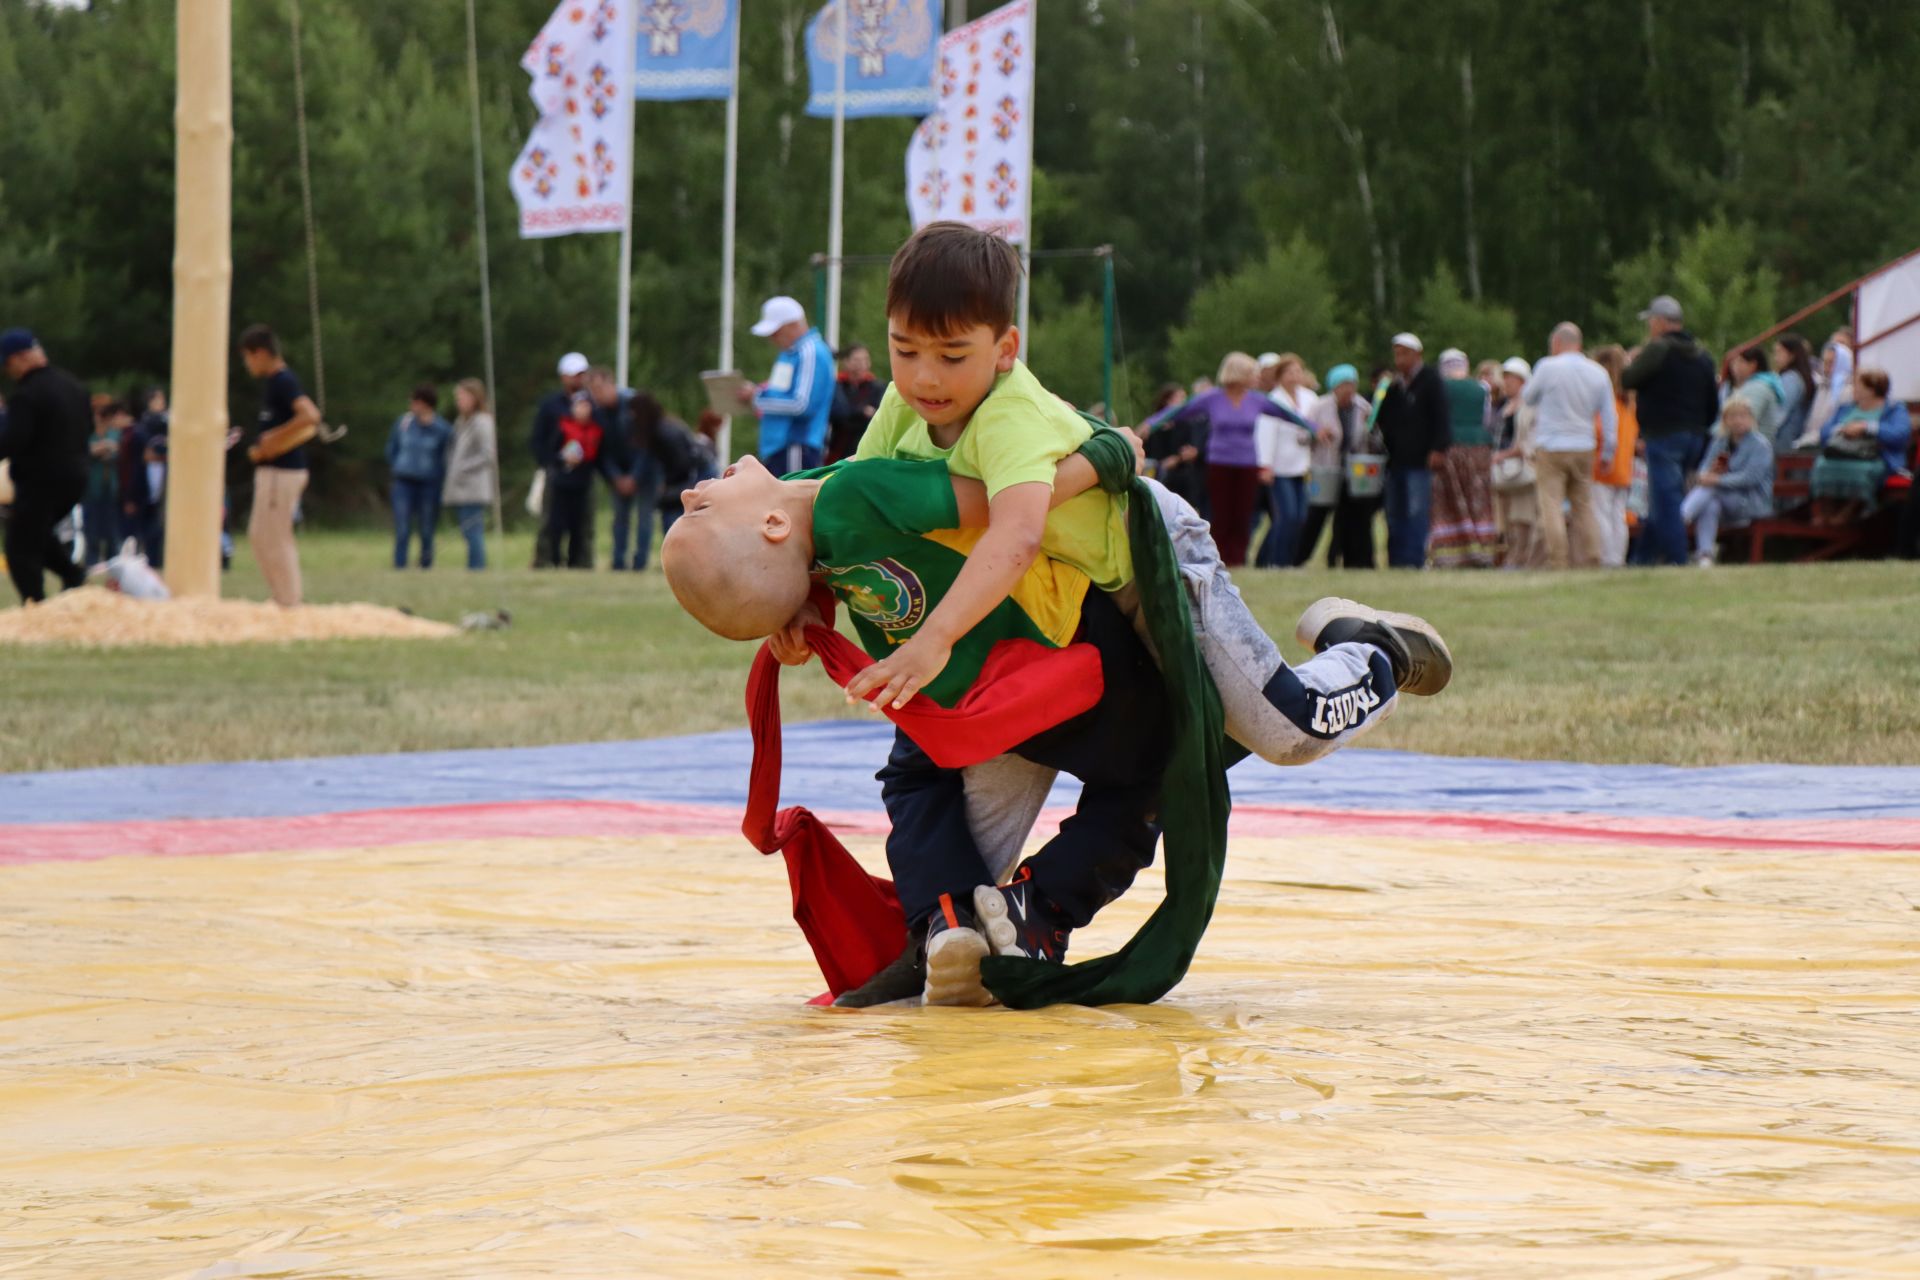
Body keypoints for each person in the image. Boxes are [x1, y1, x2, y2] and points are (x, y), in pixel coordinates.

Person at [662, 447, 1450, 1004]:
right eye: (698, 505)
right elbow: (819, 542)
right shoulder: (811, 511)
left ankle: (1368, 647)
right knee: (973, 812)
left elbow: (1013, 511)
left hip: (1131, 561)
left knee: (1283, 731)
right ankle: (996, 925)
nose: (695, 486)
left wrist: (1107, 455)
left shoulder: (855, 481)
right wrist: (803, 597)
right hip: (1028, 666)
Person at [1148, 352, 1313, 567]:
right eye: (1253, 373)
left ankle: (1238, 559)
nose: (1258, 378)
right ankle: (1219, 558)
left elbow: (1289, 415)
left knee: (1243, 515)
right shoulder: (1213, 398)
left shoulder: (1257, 400)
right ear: (1239, 374)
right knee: (1221, 515)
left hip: (1247, 465)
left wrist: (1315, 429)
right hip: (1219, 464)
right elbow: (1180, 411)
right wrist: (1150, 424)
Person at [1622, 295, 1719, 565]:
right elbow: (1713, 401)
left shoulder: (1658, 349)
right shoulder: (1702, 355)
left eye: (1651, 322)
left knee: (1667, 501)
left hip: (1664, 435)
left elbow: (1629, 379)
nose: (1650, 328)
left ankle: (1678, 560)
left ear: (1661, 322)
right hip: (1695, 435)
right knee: (1660, 500)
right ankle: (1642, 559)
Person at [0, 328, 91, 602]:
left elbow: (12, 441)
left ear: (19, 359)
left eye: (7, 364)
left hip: (42, 480)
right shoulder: (74, 386)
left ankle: (35, 604)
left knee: (19, 548)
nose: (7, 371)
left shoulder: (27, 394)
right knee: (35, 534)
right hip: (77, 477)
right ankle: (73, 574)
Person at [1522, 322, 1616, 569]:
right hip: (1584, 445)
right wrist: (1608, 451)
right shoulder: (1597, 372)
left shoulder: (1547, 367)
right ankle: (1592, 556)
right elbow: (1609, 417)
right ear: (1579, 344)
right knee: (1584, 506)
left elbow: (1528, 397)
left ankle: (1559, 560)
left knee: (1551, 505)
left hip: (1551, 446)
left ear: (1556, 343)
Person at [238, 325, 320, 606]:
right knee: (261, 536)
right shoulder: (275, 382)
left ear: (260, 353)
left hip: (281, 472)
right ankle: (282, 597)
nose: (247, 364)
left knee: (273, 536)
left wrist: (273, 439)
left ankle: (289, 601)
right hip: (274, 472)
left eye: (248, 357)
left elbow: (310, 416)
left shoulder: (283, 380)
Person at [1375, 332, 1450, 568]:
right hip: (1396, 459)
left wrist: (1439, 448)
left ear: (1417, 355)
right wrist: (1385, 392)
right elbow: (1382, 419)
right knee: (1394, 514)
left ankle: (1414, 560)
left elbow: (1441, 416)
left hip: (1420, 459)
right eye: (1396, 355)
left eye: (1404, 354)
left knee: (1416, 513)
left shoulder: (1430, 380)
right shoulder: (1395, 386)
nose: (1400, 360)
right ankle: (1396, 561)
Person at [1297, 363, 1381, 569]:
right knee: (1316, 516)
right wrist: (1317, 433)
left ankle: (1359, 562)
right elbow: (1301, 436)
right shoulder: (1319, 407)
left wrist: (1372, 433)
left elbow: (1376, 439)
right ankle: (1298, 559)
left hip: (1354, 472)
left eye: (1351, 384)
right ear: (1334, 387)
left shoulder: (1363, 407)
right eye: (1343, 385)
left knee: (1356, 517)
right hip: (1326, 469)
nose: (1348, 390)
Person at [739, 296, 834, 473]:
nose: (772, 339)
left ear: (793, 325)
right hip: (780, 449)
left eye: (775, 332)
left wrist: (756, 397)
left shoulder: (810, 352)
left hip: (796, 446)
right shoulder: (790, 353)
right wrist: (759, 394)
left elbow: (801, 404)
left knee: (790, 499)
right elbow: (779, 393)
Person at [1810, 368, 1912, 527]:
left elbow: (1900, 434)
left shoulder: (1894, 409)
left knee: (1863, 471)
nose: (1853, 389)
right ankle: (1826, 513)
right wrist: (1843, 429)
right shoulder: (1846, 408)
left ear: (1872, 388)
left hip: (1876, 457)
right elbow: (1824, 433)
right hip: (1841, 453)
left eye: (1857, 385)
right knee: (1822, 465)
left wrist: (1866, 428)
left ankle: (1848, 513)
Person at [1680, 396, 1773, 566]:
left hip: (1750, 500)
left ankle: (1682, 517)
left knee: (1712, 489)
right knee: (1710, 504)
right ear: (1725, 420)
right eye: (1733, 416)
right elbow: (1704, 467)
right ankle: (1705, 556)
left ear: (1751, 419)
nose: (1738, 421)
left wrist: (1717, 480)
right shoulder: (1721, 442)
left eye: (1743, 416)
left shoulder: (1760, 445)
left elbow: (1750, 478)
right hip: (1723, 501)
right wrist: (1706, 474)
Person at [1428, 348, 1497, 569]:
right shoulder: (1481, 388)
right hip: (1479, 449)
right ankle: (1483, 551)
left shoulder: (1440, 388)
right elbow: (1486, 420)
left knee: (1450, 501)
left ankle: (1452, 554)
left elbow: (1436, 419)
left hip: (1450, 448)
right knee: (1478, 501)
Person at [587, 366, 655, 571]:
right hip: (618, 474)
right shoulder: (597, 413)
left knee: (644, 518)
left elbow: (648, 443)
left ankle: (640, 563)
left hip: (645, 472)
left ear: (611, 384)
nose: (596, 394)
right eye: (592, 390)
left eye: (599, 388)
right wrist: (616, 477)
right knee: (619, 519)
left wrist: (635, 476)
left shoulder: (635, 404)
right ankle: (618, 562)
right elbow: (601, 450)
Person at [1254, 353, 1316, 568]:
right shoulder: (1273, 400)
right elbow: (1265, 434)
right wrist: (1265, 465)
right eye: (1289, 372)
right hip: (1280, 467)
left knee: (1300, 517)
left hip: (1303, 465)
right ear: (1280, 376)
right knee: (1286, 516)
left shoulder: (1310, 398)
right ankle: (1276, 561)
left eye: (1298, 371)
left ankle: (1290, 560)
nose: (1294, 376)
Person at [530, 352, 590, 568]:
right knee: (551, 521)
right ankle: (549, 560)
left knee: (580, 523)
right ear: (563, 376)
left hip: (583, 475)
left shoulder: (592, 404)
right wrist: (550, 462)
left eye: (582, 374)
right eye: (574, 374)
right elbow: (538, 439)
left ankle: (579, 562)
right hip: (556, 473)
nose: (579, 379)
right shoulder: (551, 405)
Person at [385, 384, 450, 570]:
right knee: (402, 525)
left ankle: (426, 563)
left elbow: (445, 456)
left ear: (426, 404)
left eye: (416, 401)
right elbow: (392, 449)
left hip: (429, 483)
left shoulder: (442, 429)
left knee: (427, 527)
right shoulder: (403, 423)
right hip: (404, 481)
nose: (412, 404)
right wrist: (397, 466)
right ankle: (400, 564)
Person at [1589, 345, 1641, 567]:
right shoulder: (1629, 402)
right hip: (1623, 466)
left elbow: (1599, 430)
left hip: (1602, 463)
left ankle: (1604, 557)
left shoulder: (1606, 401)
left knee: (1600, 513)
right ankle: (1617, 557)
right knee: (1618, 514)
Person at [1492, 357, 1544, 569]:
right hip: (1507, 471)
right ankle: (1512, 555)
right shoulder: (1506, 406)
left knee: (1524, 517)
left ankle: (1523, 558)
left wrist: (1506, 454)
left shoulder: (1531, 406)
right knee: (1509, 518)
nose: (1506, 383)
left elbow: (1529, 440)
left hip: (1524, 468)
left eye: (1511, 379)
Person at [442, 378, 497, 571]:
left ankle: (477, 567)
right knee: (467, 530)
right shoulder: (461, 422)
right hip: (461, 487)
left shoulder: (482, 422)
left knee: (473, 530)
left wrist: (463, 468)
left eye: (462, 397)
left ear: (475, 398)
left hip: (473, 486)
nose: (459, 401)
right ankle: (474, 566)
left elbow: (488, 455)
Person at [120, 387, 169, 565]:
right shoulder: (142, 430)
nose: (162, 405)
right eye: (158, 400)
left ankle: (156, 559)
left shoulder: (165, 425)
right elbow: (140, 460)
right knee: (141, 526)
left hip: (160, 480)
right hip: (142, 484)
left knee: (156, 525)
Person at [1139, 382, 1204, 513]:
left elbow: (1191, 449)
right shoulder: (1153, 424)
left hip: (1180, 475)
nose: (1183, 402)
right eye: (1179, 397)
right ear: (1167, 400)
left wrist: (1177, 459)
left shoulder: (1188, 423)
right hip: (1155, 474)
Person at [84, 398, 129, 565]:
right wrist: (102, 448)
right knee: (91, 531)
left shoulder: (115, 433)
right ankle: (92, 563)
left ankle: (113, 564)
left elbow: (118, 453)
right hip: (91, 489)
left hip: (111, 488)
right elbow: (83, 452)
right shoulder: (87, 433)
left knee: (112, 532)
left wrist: (101, 449)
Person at [827, 343, 884, 463]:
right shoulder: (837, 385)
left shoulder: (877, 387)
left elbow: (878, 415)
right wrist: (862, 411)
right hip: (839, 447)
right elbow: (839, 412)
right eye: (856, 360)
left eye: (865, 360)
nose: (861, 365)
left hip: (867, 449)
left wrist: (854, 412)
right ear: (846, 362)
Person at [1722, 346, 1786, 444]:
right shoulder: (1755, 385)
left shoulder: (1757, 388)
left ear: (1753, 365)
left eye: (1740, 361)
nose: (1734, 366)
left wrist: (1717, 434)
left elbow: (1742, 423)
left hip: (1751, 449)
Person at [1771, 333, 1816, 454]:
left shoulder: (1791, 379)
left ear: (1792, 355)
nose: (1775, 357)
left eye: (1779, 352)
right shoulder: (1799, 377)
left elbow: (1779, 412)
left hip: (1783, 441)